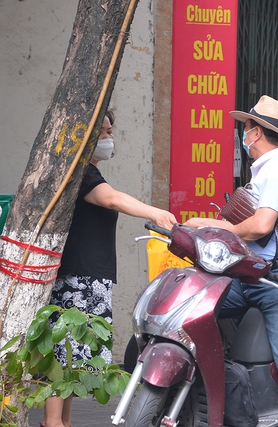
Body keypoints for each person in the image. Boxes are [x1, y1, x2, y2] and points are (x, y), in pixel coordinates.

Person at [184, 95, 278, 427]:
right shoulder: (265, 170)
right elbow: (247, 225)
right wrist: (207, 225)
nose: (243, 134)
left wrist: (220, 228)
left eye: (246, 127)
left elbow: (260, 226)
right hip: (253, 276)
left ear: (256, 132)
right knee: (193, 316)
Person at [42, 110, 177, 427]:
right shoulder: (82, 175)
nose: (109, 137)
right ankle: (52, 422)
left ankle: (62, 421)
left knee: (75, 358)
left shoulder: (85, 172)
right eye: (102, 132)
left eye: (110, 130)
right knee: (64, 356)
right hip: (78, 279)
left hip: (89, 277)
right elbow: (114, 199)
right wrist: (156, 212)